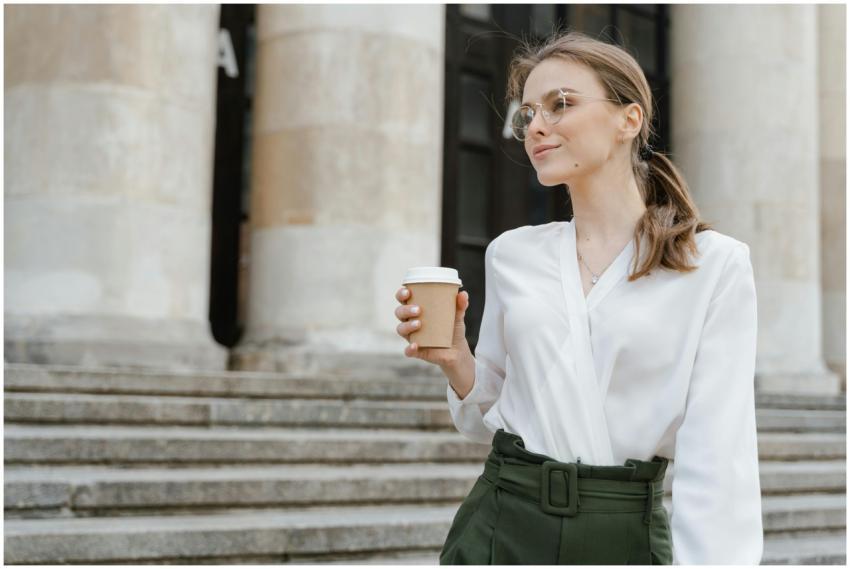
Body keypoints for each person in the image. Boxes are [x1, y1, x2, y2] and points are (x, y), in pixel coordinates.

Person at [394, 29, 762, 565]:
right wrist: (457, 360)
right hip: (501, 523)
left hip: (624, 534)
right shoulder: (511, 255)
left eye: (560, 104)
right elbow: (490, 417)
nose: (535, 126)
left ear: (628, 119)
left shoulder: (713, 266)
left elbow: (719, 457)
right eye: (527, 114)